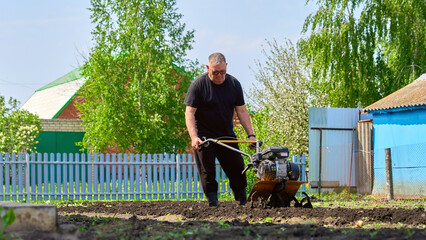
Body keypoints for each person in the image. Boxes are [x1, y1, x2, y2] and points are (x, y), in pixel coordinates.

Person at [184, 52, 256, 206]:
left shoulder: (234, 84)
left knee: (237, 166)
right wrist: (194, 137)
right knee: (207, 171)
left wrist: (251, 135)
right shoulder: (198, 85)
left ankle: (242, 201)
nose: (219, 76)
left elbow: (242, 111)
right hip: (204, 135)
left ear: (226, 67)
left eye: (222, 72)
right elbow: (189, 112)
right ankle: (213, 204)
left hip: (226, 133)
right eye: (215, 72)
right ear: (208, 68)